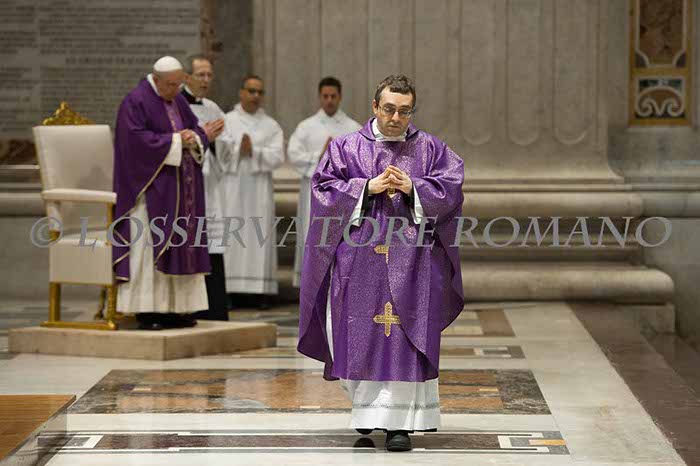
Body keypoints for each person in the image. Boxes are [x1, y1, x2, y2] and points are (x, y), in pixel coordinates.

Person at [297, 75, 465, 451]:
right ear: (375, 107)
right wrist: (366, 188)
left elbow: (452, 186)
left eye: (404, 111)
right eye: (389, 109)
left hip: (413, 263)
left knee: (404, 335)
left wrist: (414, 188)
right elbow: (321, 190)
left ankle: (398, 425)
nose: (396, 118)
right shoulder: (346, 148)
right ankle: (367, 413)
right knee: (359, 333)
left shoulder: (430, 149)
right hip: (358, 263)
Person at [113, 56, 217, 330]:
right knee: (150, 247)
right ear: (156, 79)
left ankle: (178, 309)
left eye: (179, 84)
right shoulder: (135, 102)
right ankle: (148, 311)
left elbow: (193, 129)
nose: (175, 90)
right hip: (150, 193)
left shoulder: (177, 100)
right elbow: (133, 143)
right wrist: (175, 141)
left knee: (182, 245)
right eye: (171, 85)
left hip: (181, 189)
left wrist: (199, 136)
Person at [287, 77, 361, 288]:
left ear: (340, 97)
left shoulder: (353, 128)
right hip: (313, 193)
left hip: (342, 196)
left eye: (333, 96)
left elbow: (360, 161)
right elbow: (293, 154)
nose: (329, 100)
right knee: (312, 234)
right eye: (325, 96)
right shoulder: (306, 127)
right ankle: (311, 286)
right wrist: (319, 158)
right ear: (319, 97)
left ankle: (340, 283)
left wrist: (337, 162)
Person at [218, 75, 284, 308]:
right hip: (232, 188)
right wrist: (238, 150)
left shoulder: (271, 125)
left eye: (259, 92)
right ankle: (229, 290)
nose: (255, 96)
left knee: (258, 235)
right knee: (231, 234)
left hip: (259, 190)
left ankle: (259, 292)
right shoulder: (226, 120)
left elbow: (278, 156)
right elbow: (217, 151)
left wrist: (254, 151)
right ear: (241, 93)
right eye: (251, 91)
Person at [182, 54, 228, 321]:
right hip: (188, 186)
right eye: (201, 75)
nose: (206, 80)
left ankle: (215, 310)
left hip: (210, 186)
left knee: (212, 245)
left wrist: (218, 141)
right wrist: (204, 136)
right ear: (187, 77)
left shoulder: (212, 107)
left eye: (209, 75)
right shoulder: (176, 106)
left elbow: (228, 148)